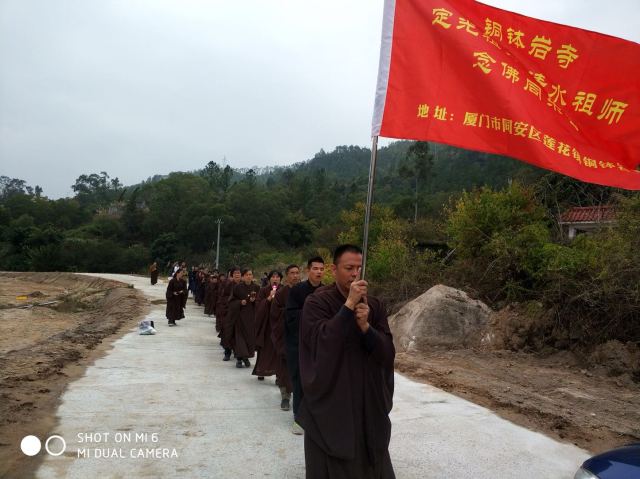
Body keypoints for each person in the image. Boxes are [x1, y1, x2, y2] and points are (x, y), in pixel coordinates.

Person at [298, 245, 395, 478]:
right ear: (334, 269)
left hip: (367, 398)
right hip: (334, 400)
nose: (354, 274)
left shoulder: (374, 305)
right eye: (349, 268)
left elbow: (387, 352)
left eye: (358, 268)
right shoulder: (317, 302)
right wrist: (347, 307)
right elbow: (321, 344)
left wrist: (366, 327)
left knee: (372, 454)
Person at [285, 256, 325, 435]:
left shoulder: (326, 292)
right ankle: (299, 417)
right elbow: (290, 316)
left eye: (321, 269)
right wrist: (311, 314)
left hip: (320, 344)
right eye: (315, 268)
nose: (318, 272)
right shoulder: (297, 291)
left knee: (318, 380)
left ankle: (316, 415)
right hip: (298, 343)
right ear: (308, 270)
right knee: (300, 379)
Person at [270, 264, 300, 411]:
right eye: (292, 273)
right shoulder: (282, 293)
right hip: (285, 335)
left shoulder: (303, 291)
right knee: (284, 367)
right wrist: (291, 313)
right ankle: (285, 396)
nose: (295, 276)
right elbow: (274, 314)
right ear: (287, 275)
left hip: (301, 336)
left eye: (297, 273)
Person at [252, 270, 282, 381]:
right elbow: (258, 306)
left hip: (279, 325)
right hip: (267, 324)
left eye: (277, 277)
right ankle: (261, 370)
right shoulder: (263, 290)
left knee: (279, 351)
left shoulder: (284, 290)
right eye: (273, 277)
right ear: (269, 279)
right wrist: (269, 299)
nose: (275, 279)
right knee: (265, 349)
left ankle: (279, 375)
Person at [228, 269, 260, 368]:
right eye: (246, 275)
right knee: (240, 339)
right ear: (243, 276)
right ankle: (239, 359)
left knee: (249, 339)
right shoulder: (238, 287)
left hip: (251, 317)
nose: (249, 276)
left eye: (250, 274)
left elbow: (260, 301)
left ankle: (245, 358)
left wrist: (254, 301)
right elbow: (231, 301)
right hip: (240, 316)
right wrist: (240, 302)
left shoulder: (257, 287)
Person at [220, 268, 242, 361]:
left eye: (239, 273)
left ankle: (240, 355)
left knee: (239, 335)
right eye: (235, 273)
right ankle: (227, 352)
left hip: (240, 314)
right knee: (228, 333)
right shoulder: (229, 285)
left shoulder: (242, 285)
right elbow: (224, 297)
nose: (237, 275)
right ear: (232, 275)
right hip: (229, 313)